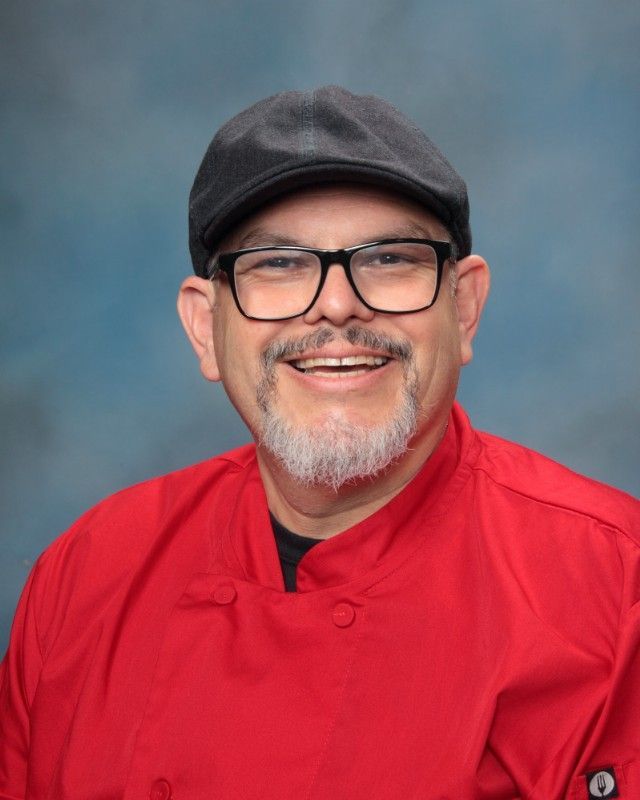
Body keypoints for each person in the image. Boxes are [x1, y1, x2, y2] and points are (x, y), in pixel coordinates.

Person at [0, 86, 638, 800]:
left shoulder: (616, 592)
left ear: (463, 309)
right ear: (206, 328)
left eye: (390, 259)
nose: (337, 304)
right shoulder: (83, 577)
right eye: (277, 264)